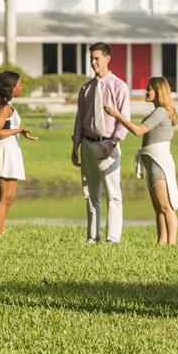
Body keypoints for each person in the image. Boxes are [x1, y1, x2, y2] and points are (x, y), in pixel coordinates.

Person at [105, 76, 178, 246]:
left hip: (158, 163)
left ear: (159, 91)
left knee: (166, 207)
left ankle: (172, 245)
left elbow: (138, 131)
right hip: (153, 162)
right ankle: (162, 243)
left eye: (149, 89)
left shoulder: (161, 112)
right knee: (158, 208)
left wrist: (118, 116)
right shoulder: (161, 112)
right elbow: (170, 134)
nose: (146, 91)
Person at [71, 42, 130, 244]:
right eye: (91, 59)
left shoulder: (119, 87)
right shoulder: (86, 88)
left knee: (113, 194)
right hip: (88, 143)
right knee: (90, 193)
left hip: (108, 145)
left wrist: (113, 143)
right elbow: (79, 119)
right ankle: (92, 237)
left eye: (97, 58)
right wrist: (75, 146)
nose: (93, 62)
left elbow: (124, 119)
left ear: (107, 58)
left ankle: (112, 238)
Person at [0, 70, 37, 237]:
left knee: (10, 196)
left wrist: (19, 133)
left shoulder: (5, 104)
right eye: (19, 84)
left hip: (10, 149)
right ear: (11, 87)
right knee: (3, 197)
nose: (21, 86)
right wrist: (19, 130)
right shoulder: (5, 107)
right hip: (4, 150)